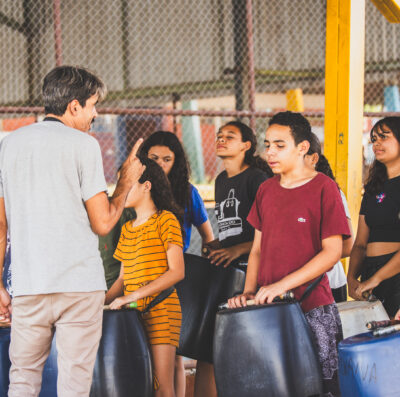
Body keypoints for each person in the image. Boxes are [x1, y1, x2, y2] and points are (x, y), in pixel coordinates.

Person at [0, 65, 145, 397]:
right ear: (74, 106)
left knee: (22, 377)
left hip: (28, 283)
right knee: (74, 383)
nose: (95, 114)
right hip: (79, 284)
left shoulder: (9, 146)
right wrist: (124, 182)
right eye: (93, 105)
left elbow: (0, 225)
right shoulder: (83, 144)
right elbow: (104, 222)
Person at [229, 111, 350, 397]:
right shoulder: (266, 190)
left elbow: (332, 252)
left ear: (302, 147)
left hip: (313, 306)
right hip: (267, 308)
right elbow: (257, 249)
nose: (270, 152)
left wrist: (282, 285)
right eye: (268, 144)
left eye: (280, 145)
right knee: (271, 386)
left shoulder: (324, 187)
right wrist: (248, 292)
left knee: (320, 388)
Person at [139, 131, 214, 397]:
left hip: (174, 278)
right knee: (149, 352)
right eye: (154, 158)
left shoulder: (187, 192)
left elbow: (208, 237)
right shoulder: (136, 191)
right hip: (139, 276)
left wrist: (204, 276)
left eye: (167, 159)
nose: (160, 164)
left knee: (174, 352)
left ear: (177, 162)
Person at [106, 157, 185, 397]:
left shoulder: (166, 220)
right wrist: (99, 302)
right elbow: (122, 279)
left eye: (128, 183)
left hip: (162, 310)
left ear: (146, 186)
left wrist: (134, 295)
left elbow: (177, 272)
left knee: (162, 388)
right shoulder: (127, 228)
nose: (121, 189)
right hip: (132, 315)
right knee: (140, 386)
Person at [348, 117, 400, 318]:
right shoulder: (373, 189)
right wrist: (352, 277)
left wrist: (375, 279)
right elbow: (360, 243)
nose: (376, 143)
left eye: (384, 137)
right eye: (374, 139)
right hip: (370, 275)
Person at [207, 121, 273, 269]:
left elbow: (274, 231)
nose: (221, 140)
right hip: (230, 264)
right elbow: (235, 229)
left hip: (255, 264)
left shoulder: (257, 178)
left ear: (246, 146)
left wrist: (236, 250)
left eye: (230, 137)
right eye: (219, 136)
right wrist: (218, 244)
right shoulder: (221, 180)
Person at [305, 133, 354, 302]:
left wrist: (311, 259)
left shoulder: (330, 192)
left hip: (329, 284)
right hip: (290, 286)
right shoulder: (273, 192)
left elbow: (347, 246)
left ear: (312, 159)